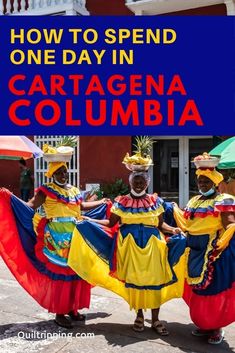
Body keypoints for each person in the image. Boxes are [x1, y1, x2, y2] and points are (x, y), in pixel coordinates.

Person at [68, 171, 186, 335]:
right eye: (136, 181)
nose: (139, 184)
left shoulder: (155, 201)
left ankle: (156, 318)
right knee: (136, 282)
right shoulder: (122, 202)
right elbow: (110, 223)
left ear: (147, 182)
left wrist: (173, 229)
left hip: (154, 247)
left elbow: (160, 224)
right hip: (130, 248)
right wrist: (89, 220)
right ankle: (138, 316)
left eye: (142, 181)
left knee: (155, 282)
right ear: (130, 182)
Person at [0, 159, 109, 329]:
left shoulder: (73, 190)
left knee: (76, 271)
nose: (63, 175)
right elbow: (31, 205)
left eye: (64, 171)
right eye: (58, 172)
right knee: (61, 274)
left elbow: (82, 206)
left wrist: (101, 202)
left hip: (75, 236)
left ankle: (72, 309)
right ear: (52, 174)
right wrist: (10, 198)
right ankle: (59, 313)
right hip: (56, 239)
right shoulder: (46, 190)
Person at [173, 159, 235, 344]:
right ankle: (204, 325)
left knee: (214, 290)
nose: (202, 184)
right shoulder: (194, 201)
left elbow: (231, 225)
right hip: (194, 250)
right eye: (200, 181)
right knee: (198, 291)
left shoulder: (223, 200)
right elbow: (188, 223)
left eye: (206, 181)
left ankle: (216, 328)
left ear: (214, 182)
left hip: (214, 252)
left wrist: (220, 246)